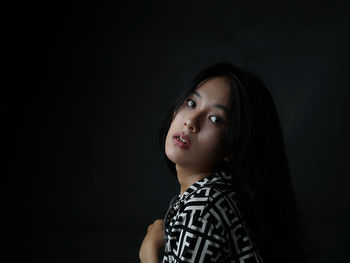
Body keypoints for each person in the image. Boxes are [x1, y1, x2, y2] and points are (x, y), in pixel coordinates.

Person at [139, 62, 309, 263]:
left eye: (215, 119)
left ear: (232, 147)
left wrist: (148, 250)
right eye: (191, 103)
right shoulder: (220, 196)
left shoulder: (203, 209)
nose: (191, 122)